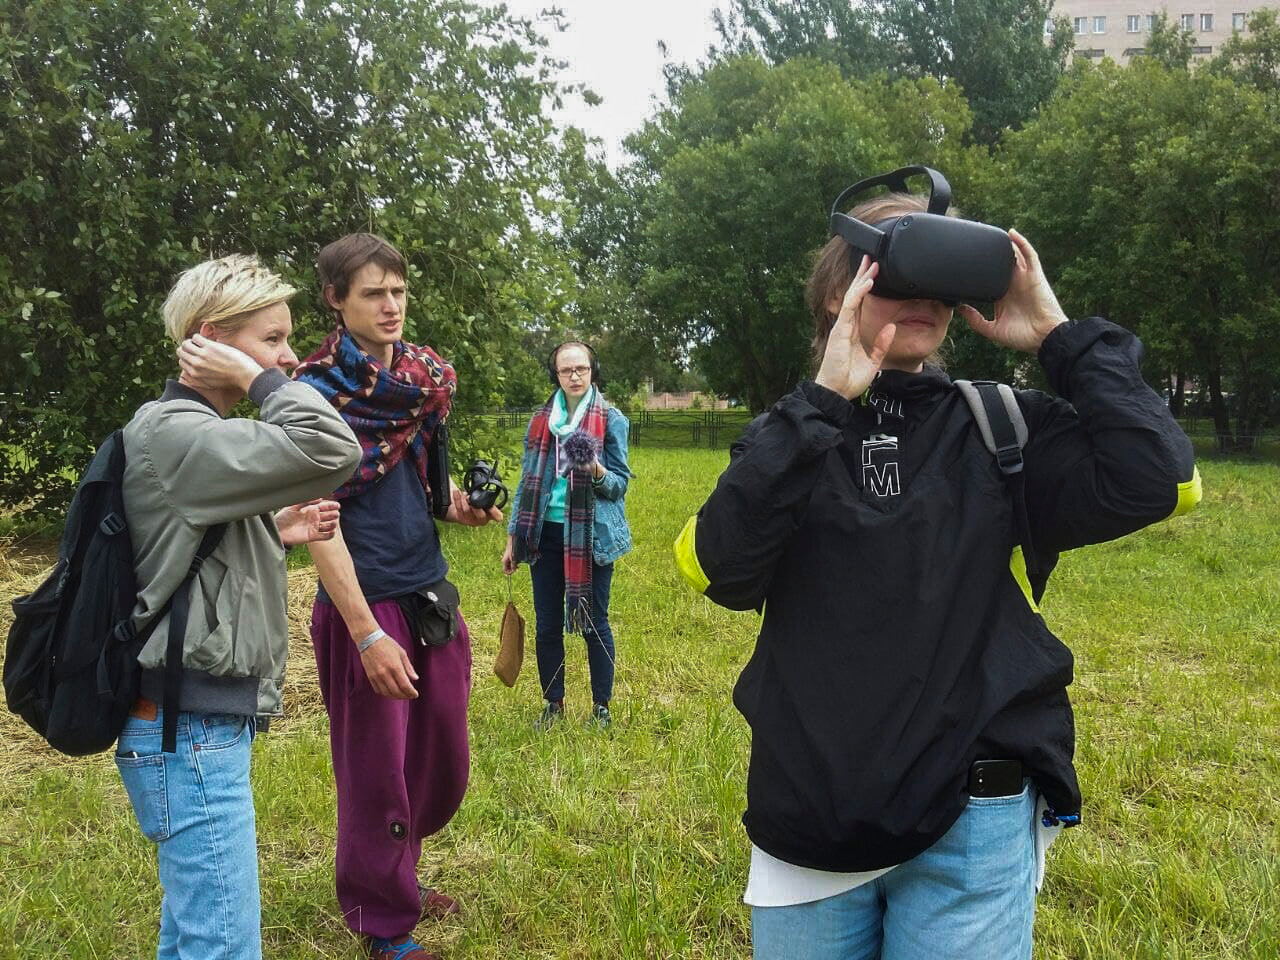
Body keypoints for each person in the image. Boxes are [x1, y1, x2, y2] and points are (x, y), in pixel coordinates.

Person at [673, 188, 1202, 959]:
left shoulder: (998, 426)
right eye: (893, 269)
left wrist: (1056, 336)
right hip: (815, 812)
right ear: (835, 290)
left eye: (940, 274)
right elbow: (719, 568)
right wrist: (822, 406)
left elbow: (1159, 476)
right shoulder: (789, 436)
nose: (920, 295)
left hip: (973, 813)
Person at [117, 253, 362, 960]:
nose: (288, 358)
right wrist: (258, 381)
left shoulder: (189, 432)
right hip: (187, 731)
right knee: (221, 946)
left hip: (186, 722)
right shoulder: (180, 433)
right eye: (271, 339)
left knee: (195, 936)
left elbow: (180, 549)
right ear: (209, 337)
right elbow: (330, 448)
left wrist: (269, 530)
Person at [294, 233, 502, 960]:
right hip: (367, 601)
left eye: (399, 291)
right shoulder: (310, 395)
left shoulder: (423, 382)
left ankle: (398, 872)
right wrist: (364, 634)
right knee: (375, 769)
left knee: (437, 759)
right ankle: (381, 918)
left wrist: (463, 507)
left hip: (427, 592)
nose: (390, 306)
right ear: (335, 299)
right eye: (373, 293)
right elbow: (317, 524)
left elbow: (426, 487)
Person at [502, 341, 632, 729]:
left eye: (582, 369)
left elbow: (620, 485)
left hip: (591, 538)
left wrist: (595, 470)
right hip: (544, 534)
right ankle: (553, 704)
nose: (575, 376)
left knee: (594, 622)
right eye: (566, 370)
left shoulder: (611, 419)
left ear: (593, 371)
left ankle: (601, 707)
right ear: (556, 375)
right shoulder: (541, 421)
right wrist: (513, 538)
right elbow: (527, 484)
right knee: (546, 625)